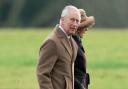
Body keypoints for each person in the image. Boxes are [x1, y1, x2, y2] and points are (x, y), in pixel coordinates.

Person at [36, 5, 81, 89]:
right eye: (72, 20)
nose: (75, 24)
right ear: (62, 20)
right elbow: (42, 73)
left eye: (77, 21)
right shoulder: (52, 42)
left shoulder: (73, 42)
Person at [73, 9, 95, 89]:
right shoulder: (72, 43)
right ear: (78, 28)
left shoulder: (77, 41)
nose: (86, 29)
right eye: (84, 27)